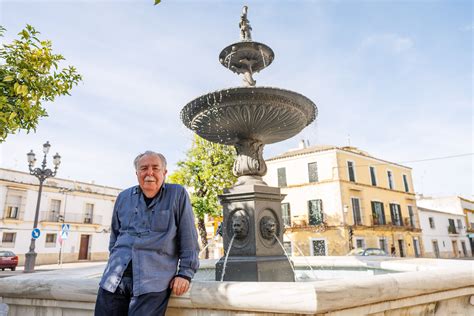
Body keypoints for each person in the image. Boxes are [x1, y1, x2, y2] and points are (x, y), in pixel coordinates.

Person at [95, 151, 199, 316]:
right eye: (144, 168)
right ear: (137, 173)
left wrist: (185, 273)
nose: (149, 173)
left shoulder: (177, 194)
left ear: (164, 173)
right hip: (113, 279)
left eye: (155, 168)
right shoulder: (123, 197)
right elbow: (115, 236)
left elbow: (188, 237)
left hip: (152, 281)